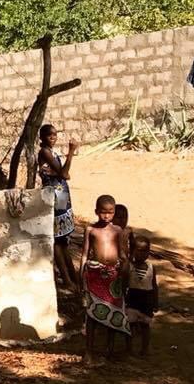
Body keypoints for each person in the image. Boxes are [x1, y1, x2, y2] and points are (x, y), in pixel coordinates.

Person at [80, 194, 131, 363]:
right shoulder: (91, 230)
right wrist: (81, 276)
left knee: (113, 311)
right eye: (103, 212)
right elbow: (85, 254)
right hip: (95, 274)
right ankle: (89, 350)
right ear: (96, 211)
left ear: (114, 212)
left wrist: (124, 271)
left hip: (113, 276)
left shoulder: (118, 231)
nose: (106, 216)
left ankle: (109, 349)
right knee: (91, 314)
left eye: (110, 212)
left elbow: (122, 253)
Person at [37, 124, 79, 290]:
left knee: (63, 239)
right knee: (58, 240)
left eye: (55, 135)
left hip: (61, 196)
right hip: (55, 197)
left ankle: (72, 277)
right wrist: (71, 152)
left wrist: (61, 172)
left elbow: (63, 174)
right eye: (50, 135)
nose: (53, 138)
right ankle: (67, 280)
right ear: (42, 137)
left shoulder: (51, 152)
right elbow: (64, 174)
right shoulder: (45, 152)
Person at [126, 235, 158, 356]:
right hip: (132, 299)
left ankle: (145, 349)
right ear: (133, 251)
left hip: (146, 301)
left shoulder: (151, 267)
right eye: (139, 250)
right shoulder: (129, 266)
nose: (142, 254)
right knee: (130, 325)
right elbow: (125, 284)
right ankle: (129, 349)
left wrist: (155, 302)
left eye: (145, 251)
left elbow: (154, 285)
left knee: (145, 326)